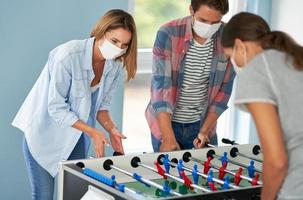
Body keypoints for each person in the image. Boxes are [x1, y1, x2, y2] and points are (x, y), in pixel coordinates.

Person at [12, 9, 137, 200]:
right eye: (114, 41)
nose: (119, 48)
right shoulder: (68, 55)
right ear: (102, 32)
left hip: (75, 138)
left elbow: (101, 107)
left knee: (74, 195)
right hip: (43, 137)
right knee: (43, 196)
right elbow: (56, 108)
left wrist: (112, 129)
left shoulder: (113, 67)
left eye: (124, 45)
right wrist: (94, 132)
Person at [222, 12, 303, 200]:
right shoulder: (295, 58)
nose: (234, 63)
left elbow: (277, 161)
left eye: (230, 56)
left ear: (239, 45)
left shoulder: (255, 70)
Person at [145, 0, 235, 152]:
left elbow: (224, 91)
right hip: (166, 124)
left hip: (203, 125)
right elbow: (160, 89)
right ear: (191, 10)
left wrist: (205, 130)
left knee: (207, 175)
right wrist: (168, 137)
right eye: (203, 21)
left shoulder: (228, 37)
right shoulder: (168, 33)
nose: (209, 27)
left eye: (216, 22)